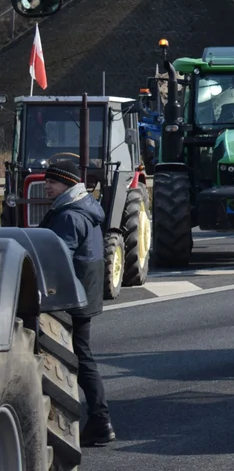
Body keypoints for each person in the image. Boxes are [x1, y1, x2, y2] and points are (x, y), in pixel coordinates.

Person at [39, 160, 115, 446]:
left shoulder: (69, 216)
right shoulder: (85, 209)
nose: (47, 185)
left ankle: (99, 419)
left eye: (53, 182)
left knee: (80, 359)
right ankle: (99, 420)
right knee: (82, 357)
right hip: (84, 295)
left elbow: (53, 257)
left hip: (69, 298)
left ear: (68, 184)